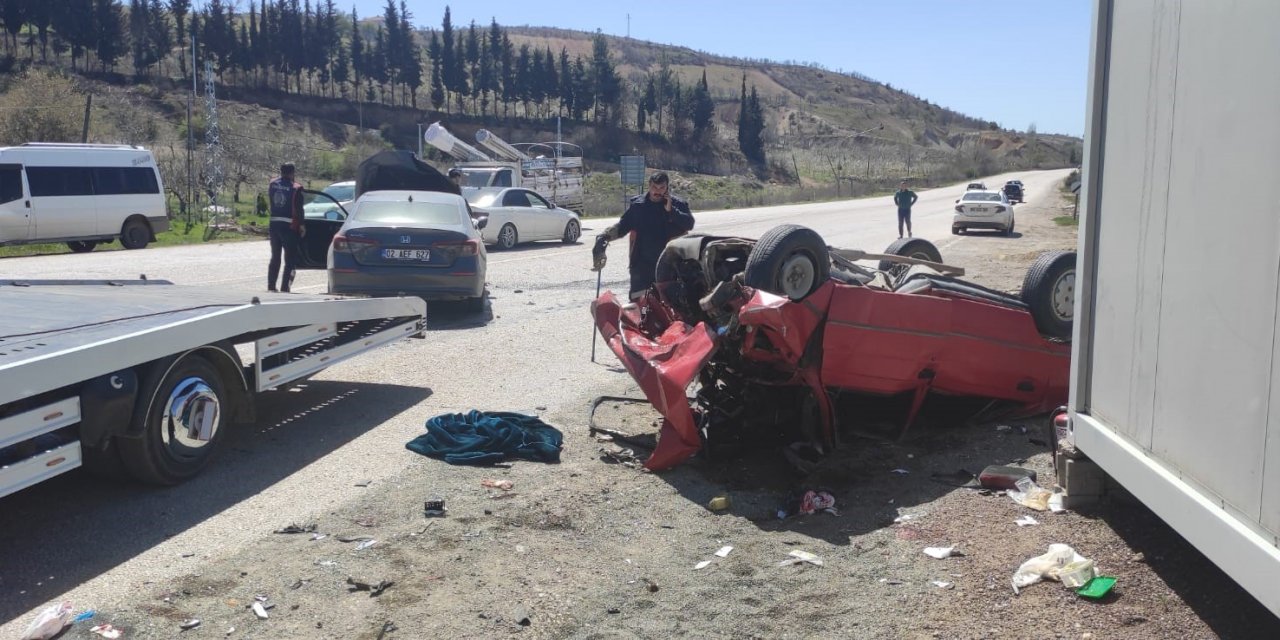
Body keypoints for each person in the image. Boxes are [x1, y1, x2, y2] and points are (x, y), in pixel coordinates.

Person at [592, 172, 695, 300]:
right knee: (639, 303)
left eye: (661, 188)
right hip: (641, 266)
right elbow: (623, 226)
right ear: (649, 186)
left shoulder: (678, 204)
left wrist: (671, 211)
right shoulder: (638, 206)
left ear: (667, 188)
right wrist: (605, 237)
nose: (657, 191)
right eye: (654, 187)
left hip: (669, 265)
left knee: (668, 305)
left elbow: (689, 224)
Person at [267, 163, 305, 293]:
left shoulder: (272, 184)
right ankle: (285, 288)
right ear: (292, 173)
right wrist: (302, 225)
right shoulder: (296, 188)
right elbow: (299, 209)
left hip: (274, 225)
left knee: (275, 257)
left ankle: (271, 286)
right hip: (289, 227)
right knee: (290, 260)